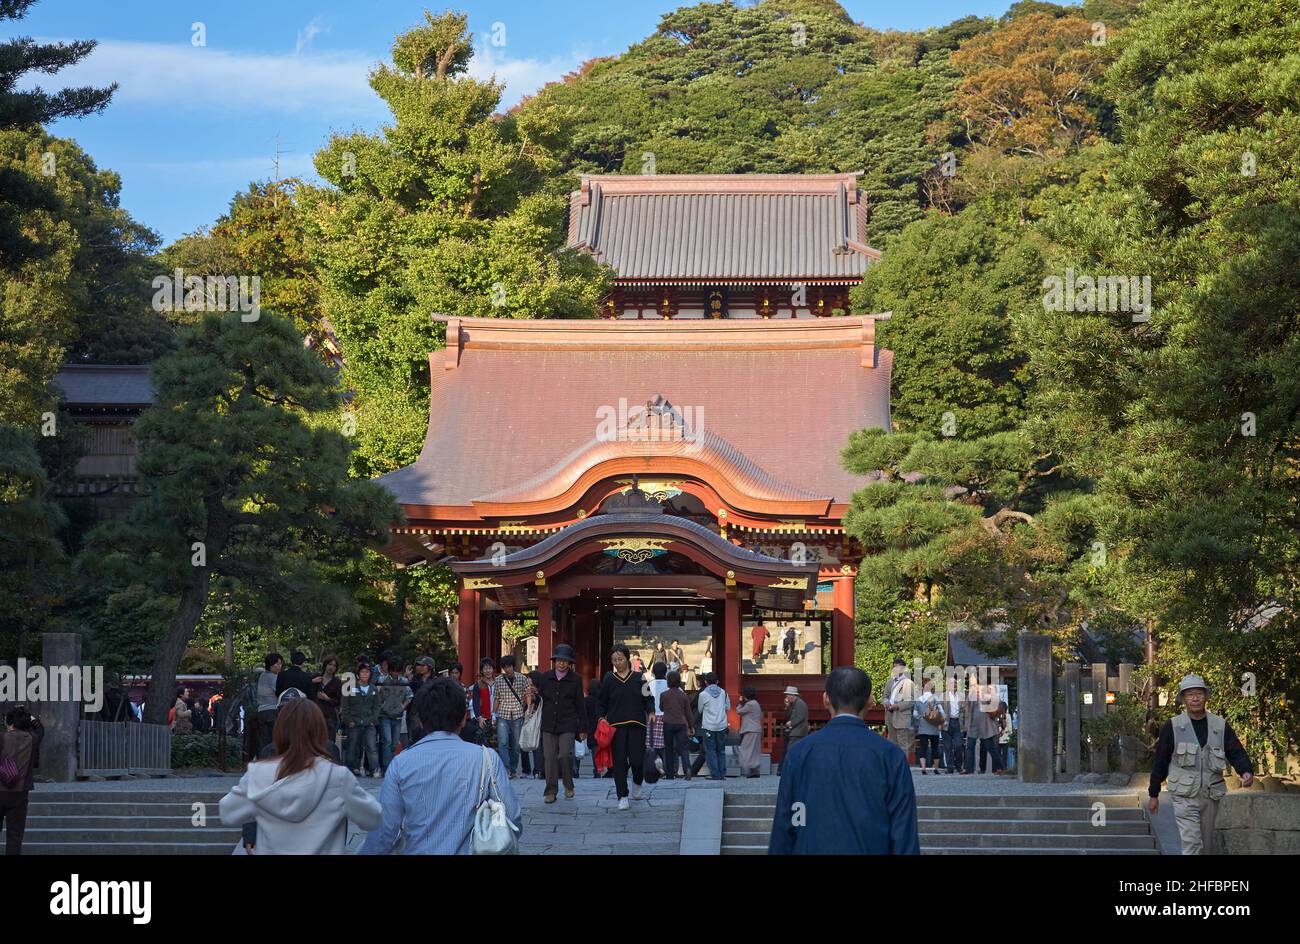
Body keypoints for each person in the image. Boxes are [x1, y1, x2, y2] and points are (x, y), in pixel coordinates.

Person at [361, 677, 523, 855]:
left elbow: (384, 831)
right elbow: (512, 816)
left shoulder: (401, 763)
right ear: (463, 718)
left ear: (421, 720)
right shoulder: (486, 758)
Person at [769, 667, 920, 855]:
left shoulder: (799, 753)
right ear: (870, 701)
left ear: (826, 699)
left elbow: (785, 827)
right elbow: (904, 834)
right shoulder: (891, 756)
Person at [219, 698, 380, 855]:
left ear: (279, 729)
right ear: (319, 730)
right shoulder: (338, 776)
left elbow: (227, 812)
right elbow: (373, 817)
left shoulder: (258, 773)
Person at [1148, 675, 1254, 855]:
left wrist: (1246, 771)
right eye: (1190, 694)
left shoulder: (1220, 725)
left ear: (1205, 696)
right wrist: (1153, 793)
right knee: (1192, 844)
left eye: (1199, 693)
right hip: (1184, 796)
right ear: (1183, 699)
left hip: (1211, 794)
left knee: (1206, 847)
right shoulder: (1172, 726)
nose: (1195, 698)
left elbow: (1235, 750)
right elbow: (1161, 760)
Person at [597, 644, 653, 810]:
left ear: (627, 659)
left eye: (620, 659)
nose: (617, 662)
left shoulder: (639, 677)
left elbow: (648, 698)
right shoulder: (609, 680)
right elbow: (601, 703)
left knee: (637, 760)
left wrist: (651, 711)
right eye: (614, 660)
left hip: (637, 725)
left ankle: (637, 782)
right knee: (619, 763)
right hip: (616, 727)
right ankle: (622, 795)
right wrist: (601, 718)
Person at [535, 643, 586, 802]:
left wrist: (583, 727)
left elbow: (580, 704)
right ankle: (550, 790)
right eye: (558, 660)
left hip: (568, 722)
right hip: (549, 723)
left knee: (564, 754)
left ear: (570, 663)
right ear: (554, 661)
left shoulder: (576, 679)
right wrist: (532, 698)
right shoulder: (545, 677)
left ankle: (568, 783)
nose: (561, 663)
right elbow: (540, 700)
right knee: (549, 757)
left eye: (565, 661)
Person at [0, 706, 44, 855]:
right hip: (20, 793)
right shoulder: (33, 739)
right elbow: (39, 729)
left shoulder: (2, 737)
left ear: (10, 722)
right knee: (15, 836)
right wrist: (31, 718)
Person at [491, 654, 533, 778]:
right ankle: (506, 768)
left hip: (517, 713)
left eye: (509, 666)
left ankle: (513, 768)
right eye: (504, 667)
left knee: (516, 744)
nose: (507, 669)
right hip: (503, 713)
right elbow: (497, 698)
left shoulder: (522, 678)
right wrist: (494, 713)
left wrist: (528, 710)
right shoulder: (498, 679)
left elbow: (528, 694)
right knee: (502, 742)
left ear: (513, 666)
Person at [341, 663, 381, 777]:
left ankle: (375, 769)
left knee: (371, 746)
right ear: (358, 674)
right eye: (362, 671)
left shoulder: (373, 688)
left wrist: (373, 719)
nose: (364, 674)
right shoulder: (350, 686)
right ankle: (353, 768)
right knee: (353, 746)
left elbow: (377, 706)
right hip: (354, 721)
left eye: (367, 672)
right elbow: (344, 706)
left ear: (370, 674)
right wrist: (348, 721)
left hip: (369, 723)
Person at [960, 676, 1005, 775]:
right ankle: (968, 768)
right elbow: (966, 708)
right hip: (973, 724)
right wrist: (966, 723)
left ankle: (1000, 767)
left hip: (986, 724)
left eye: (973, 683)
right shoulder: (971, 694)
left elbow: (998, 702)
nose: (972, 685)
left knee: (990, 747)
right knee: (970, 746)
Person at [376, 658, 413, 775]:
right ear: (390, 670)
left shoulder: (404, 681)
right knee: (386, 741)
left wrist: (402, 706)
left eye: (398, 671)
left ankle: (391, 766)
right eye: (394, 671)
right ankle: (386, 768)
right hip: (384, 715)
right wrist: (383, 706)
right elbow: (377, 697)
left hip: (398, 716)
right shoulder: (382, 680)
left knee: (394, 743)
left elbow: (410, 696)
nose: (396, 673)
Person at [697, 672, 731, 780]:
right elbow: (728, 707)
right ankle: (722, 773)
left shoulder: (703, 694)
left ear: (706, 682)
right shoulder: (723, 692)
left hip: (708, 726)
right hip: (721, 725)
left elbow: (700, 710)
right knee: (721, 750)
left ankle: (715, 774)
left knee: (710, 751)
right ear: (717, 681)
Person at [660, 671, 693, 779]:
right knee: (683, 748)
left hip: (668, 723)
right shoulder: (683, 695)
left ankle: (669, 774)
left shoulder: (664, 695)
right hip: (681, 724)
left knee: (669, 749)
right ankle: (687, 768)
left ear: (668, 682)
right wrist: (691, 726)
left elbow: (661, 708)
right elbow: (688, 712)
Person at [882, 658, 916, 759]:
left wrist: (897, 706)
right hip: (890, 716)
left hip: (902, 716)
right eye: (894, 667)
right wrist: (886, 703)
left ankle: (903, 767)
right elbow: (885, 696)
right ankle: (893, 767)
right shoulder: (889, 682)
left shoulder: (908, 683)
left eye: (898, 667)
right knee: (891, 743)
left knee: (903, 744)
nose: (895, 670)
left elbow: (911, 701)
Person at [913, 677, 945, 774]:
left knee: (923, 747)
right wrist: (942, 721)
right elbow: (942, 711)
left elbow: (915, 714)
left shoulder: (919, 699)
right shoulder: (935, 698)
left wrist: (921, 717)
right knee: (935, 747)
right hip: (934, 726)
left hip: (923, 727)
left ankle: (923, 768)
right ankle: (935, 768)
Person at [313, 654, 343, 745]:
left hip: (329, 716)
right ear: (325, 665)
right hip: (314, 714)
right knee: (314, 741)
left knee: (329, 743)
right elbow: (307, 693)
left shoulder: (337, 682)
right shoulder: (315, 678)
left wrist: (328, 699)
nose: (331, 667)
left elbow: (338, 701)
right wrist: (312, 682)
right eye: (330, 664)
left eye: (334, 666)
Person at [256, 652, 282, 751]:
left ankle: (263, 762)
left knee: (264, 741)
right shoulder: (273, 677)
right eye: (278, 664)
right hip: (272, 710)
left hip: (261, 711)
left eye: (280, 663)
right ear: (271, 664)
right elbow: (278, 691)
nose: (280, 666)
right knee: (274, 740)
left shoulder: (262, 675)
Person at [466, 658, 495, 745]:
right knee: (484, 744)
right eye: (485, 668)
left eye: (489, 668)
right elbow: (475, 703)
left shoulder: (498, 683)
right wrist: (479, 717)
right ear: (482, 670)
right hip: (484, 718)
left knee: (497, 744)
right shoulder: (478, 685)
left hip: (496, 718)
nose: (488, 671)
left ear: (493, 669)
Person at [737, 687, 763, 778]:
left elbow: (739, 711)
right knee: (754, 750)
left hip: (750, 729)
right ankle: (755, 769)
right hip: (755, 729)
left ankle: (751, 768)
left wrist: (740, 703)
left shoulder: (750, 704)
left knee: (746, 749)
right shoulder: (756, 703)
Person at [941, 674, 964, 774]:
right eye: (951, 683)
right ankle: (950, 767)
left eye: (955, 683)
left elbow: (965, 711)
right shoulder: (943, 696)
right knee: (947, 746)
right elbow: (938, 709)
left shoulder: (961, 695)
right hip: (946, 723)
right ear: (947, 685)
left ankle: (958, 766)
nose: (953, 685)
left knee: (959, 745)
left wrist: (965, 723)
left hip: (958, 722)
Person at [584, 678, 605, 778]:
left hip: (591, 727)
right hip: (601, 725)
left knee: (594, 749)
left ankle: (597, 769)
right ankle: (603, 767)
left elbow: (585, 714)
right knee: (602, 748)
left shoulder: (587, 700)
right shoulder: (602, 700)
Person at [782, 685, 809, 759]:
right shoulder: (794, 704)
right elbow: (788, 716)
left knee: (791, 751)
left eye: (788, 695)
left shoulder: (800, 703)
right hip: (795, 732)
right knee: (794, 751)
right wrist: (787, 706)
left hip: (798, 732)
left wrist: (791, 723)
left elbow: (800, 717)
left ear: (792, 695)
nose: (786, 697)